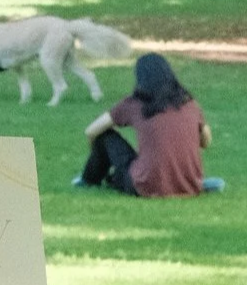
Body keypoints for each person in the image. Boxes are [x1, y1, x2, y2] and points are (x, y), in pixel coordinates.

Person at [77, 53, 224, 195]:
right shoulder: (189, 104)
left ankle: (89, 180)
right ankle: (182, 181)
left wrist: (97, 155)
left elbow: (91, 131)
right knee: (131, 168)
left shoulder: (134, 103)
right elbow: (206, 142)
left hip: (145, 184)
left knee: (104, 137)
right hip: (189, 185)